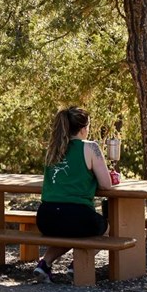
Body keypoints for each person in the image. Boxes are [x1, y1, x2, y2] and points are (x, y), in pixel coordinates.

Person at [33, 106, 120, 282]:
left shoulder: (53, 149)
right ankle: (77, 265)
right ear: (83, 128)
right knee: (107, 229)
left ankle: (45, 264)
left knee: (67, 229)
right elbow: (106, 185)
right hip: (77, 216)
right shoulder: (90, 148)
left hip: (45, 217)